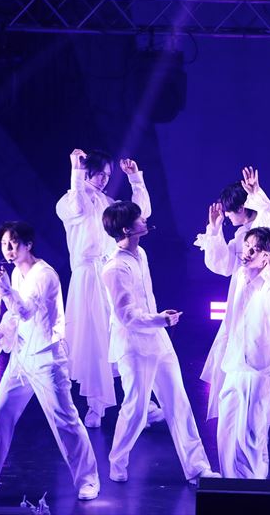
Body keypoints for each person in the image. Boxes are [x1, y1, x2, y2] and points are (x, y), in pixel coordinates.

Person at [0, 221, 100, 503]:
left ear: (28, 244)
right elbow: (15, 316)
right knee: (0, 415)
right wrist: (3, 329)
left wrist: (5, 291)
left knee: (65, 421)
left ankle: (88, 480)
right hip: (21, 357)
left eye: (13, 243)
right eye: (4, 244)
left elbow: (26, 310)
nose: (8, 249)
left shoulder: (44, 275)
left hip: (47, 359)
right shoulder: (15, 274)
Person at [100, 201, 220, 484]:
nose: (144, 219)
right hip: (133, 346)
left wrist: (159, 321)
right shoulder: (114, 268)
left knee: (178, 402)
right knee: (136, 409)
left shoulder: (140, 254)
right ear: (126, 229)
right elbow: (126, 316)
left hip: (158, 339)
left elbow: (143, 303)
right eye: (138, 217)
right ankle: (117, 460)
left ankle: (197, 468)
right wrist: (160, 320)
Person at [56, 148, 161, 428]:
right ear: (87, 171)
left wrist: (135, 179)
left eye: (107, 175)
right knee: (93, 340)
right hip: (87, 278)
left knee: (123, 334)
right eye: (99, 174)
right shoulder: (69, 200)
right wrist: (76, 170)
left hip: (109, 271)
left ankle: (139, 405)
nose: (103, 179)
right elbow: (78, 207)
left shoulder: (108, 203)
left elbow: (140, 215)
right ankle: (96, 405)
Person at [195, 167, 270, 434]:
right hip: (239, 296)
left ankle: (255, 434)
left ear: (241, 207)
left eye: (229, 213)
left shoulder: (266, 226)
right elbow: (223, 265)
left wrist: (257, 193)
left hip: (264, 297)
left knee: (260, 359)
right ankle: (235, 428)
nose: (228, 217)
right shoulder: (241, 235)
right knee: (235, 361)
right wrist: (214, 230)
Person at [211, 226, 270, 478]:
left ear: (267, 256)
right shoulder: (240, 275)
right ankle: (230, 482)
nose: (246, 253)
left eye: (254, 249)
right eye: (246, 246)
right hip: (236, 362)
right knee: (226, 429)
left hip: (262, 367)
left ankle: (252, 484)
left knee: (251, 433)